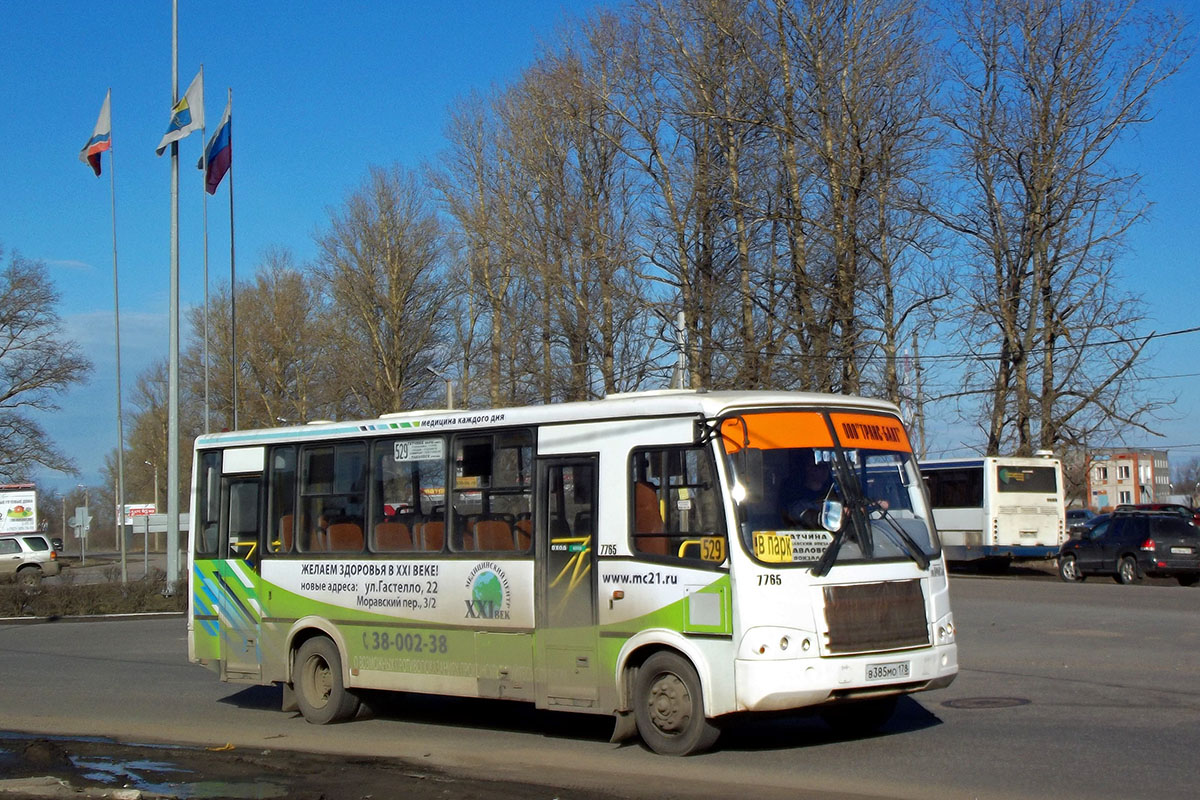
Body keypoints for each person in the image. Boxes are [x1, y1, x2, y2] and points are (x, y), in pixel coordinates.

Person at [781, 450, 834, 528]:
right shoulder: (793, 495)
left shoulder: (836, 491)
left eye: (826, 466)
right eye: (817, 466)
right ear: (807, 469)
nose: (824, 470)